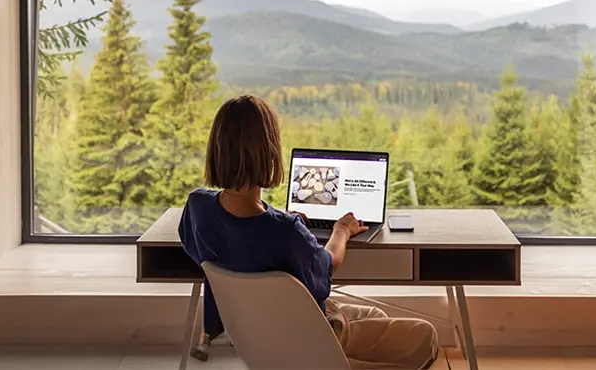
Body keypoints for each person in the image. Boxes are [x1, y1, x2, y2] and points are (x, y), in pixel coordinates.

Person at [178, 95, 439, 370]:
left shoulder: (197, 206)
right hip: (312, 336)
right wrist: (341, 230)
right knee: (426, 335)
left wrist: (279, 218)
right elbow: (327, 267)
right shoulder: (286, 232)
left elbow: (226, 237)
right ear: (269, 151)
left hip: (258, 340)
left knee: (376, 314)